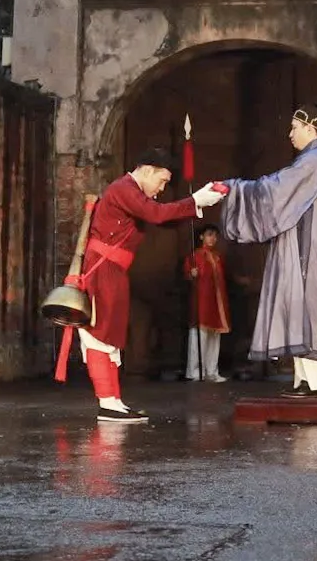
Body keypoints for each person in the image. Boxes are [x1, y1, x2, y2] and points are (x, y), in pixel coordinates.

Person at [73, 149, 222, 422]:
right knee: (99, 334)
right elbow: (156, 214)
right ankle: (107, 403)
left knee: (109, 336)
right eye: (162, 181)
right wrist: (194, 201)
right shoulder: (124, 189)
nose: (162, 188)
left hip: (114, 270)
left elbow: (162, 219)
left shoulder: (132, 194)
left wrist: (197, 205)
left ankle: (113, 401)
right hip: (103, 269)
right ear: (148, 170)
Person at [218, 105, 317, 398]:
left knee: (309, 308)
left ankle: (316, 382)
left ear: (310, 129)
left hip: (310, 249)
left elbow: (276, 189)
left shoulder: (314, 161)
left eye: (294, 128)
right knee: (302, 308)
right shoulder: (311, 160)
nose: (290, 134)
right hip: (304, 245)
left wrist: (235, 188)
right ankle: (304, 379)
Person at [184, 224, 230, 383]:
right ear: (201, 236)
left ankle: (212, 371)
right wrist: (191, 273)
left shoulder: (217, 257)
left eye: (215, 235)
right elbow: (186, 274)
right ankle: (195, 371)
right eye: (209, 234)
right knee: (199, 337)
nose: (213, 238)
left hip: (216, 302)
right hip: (202, 301)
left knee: (214, 337)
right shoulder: (195, 255)